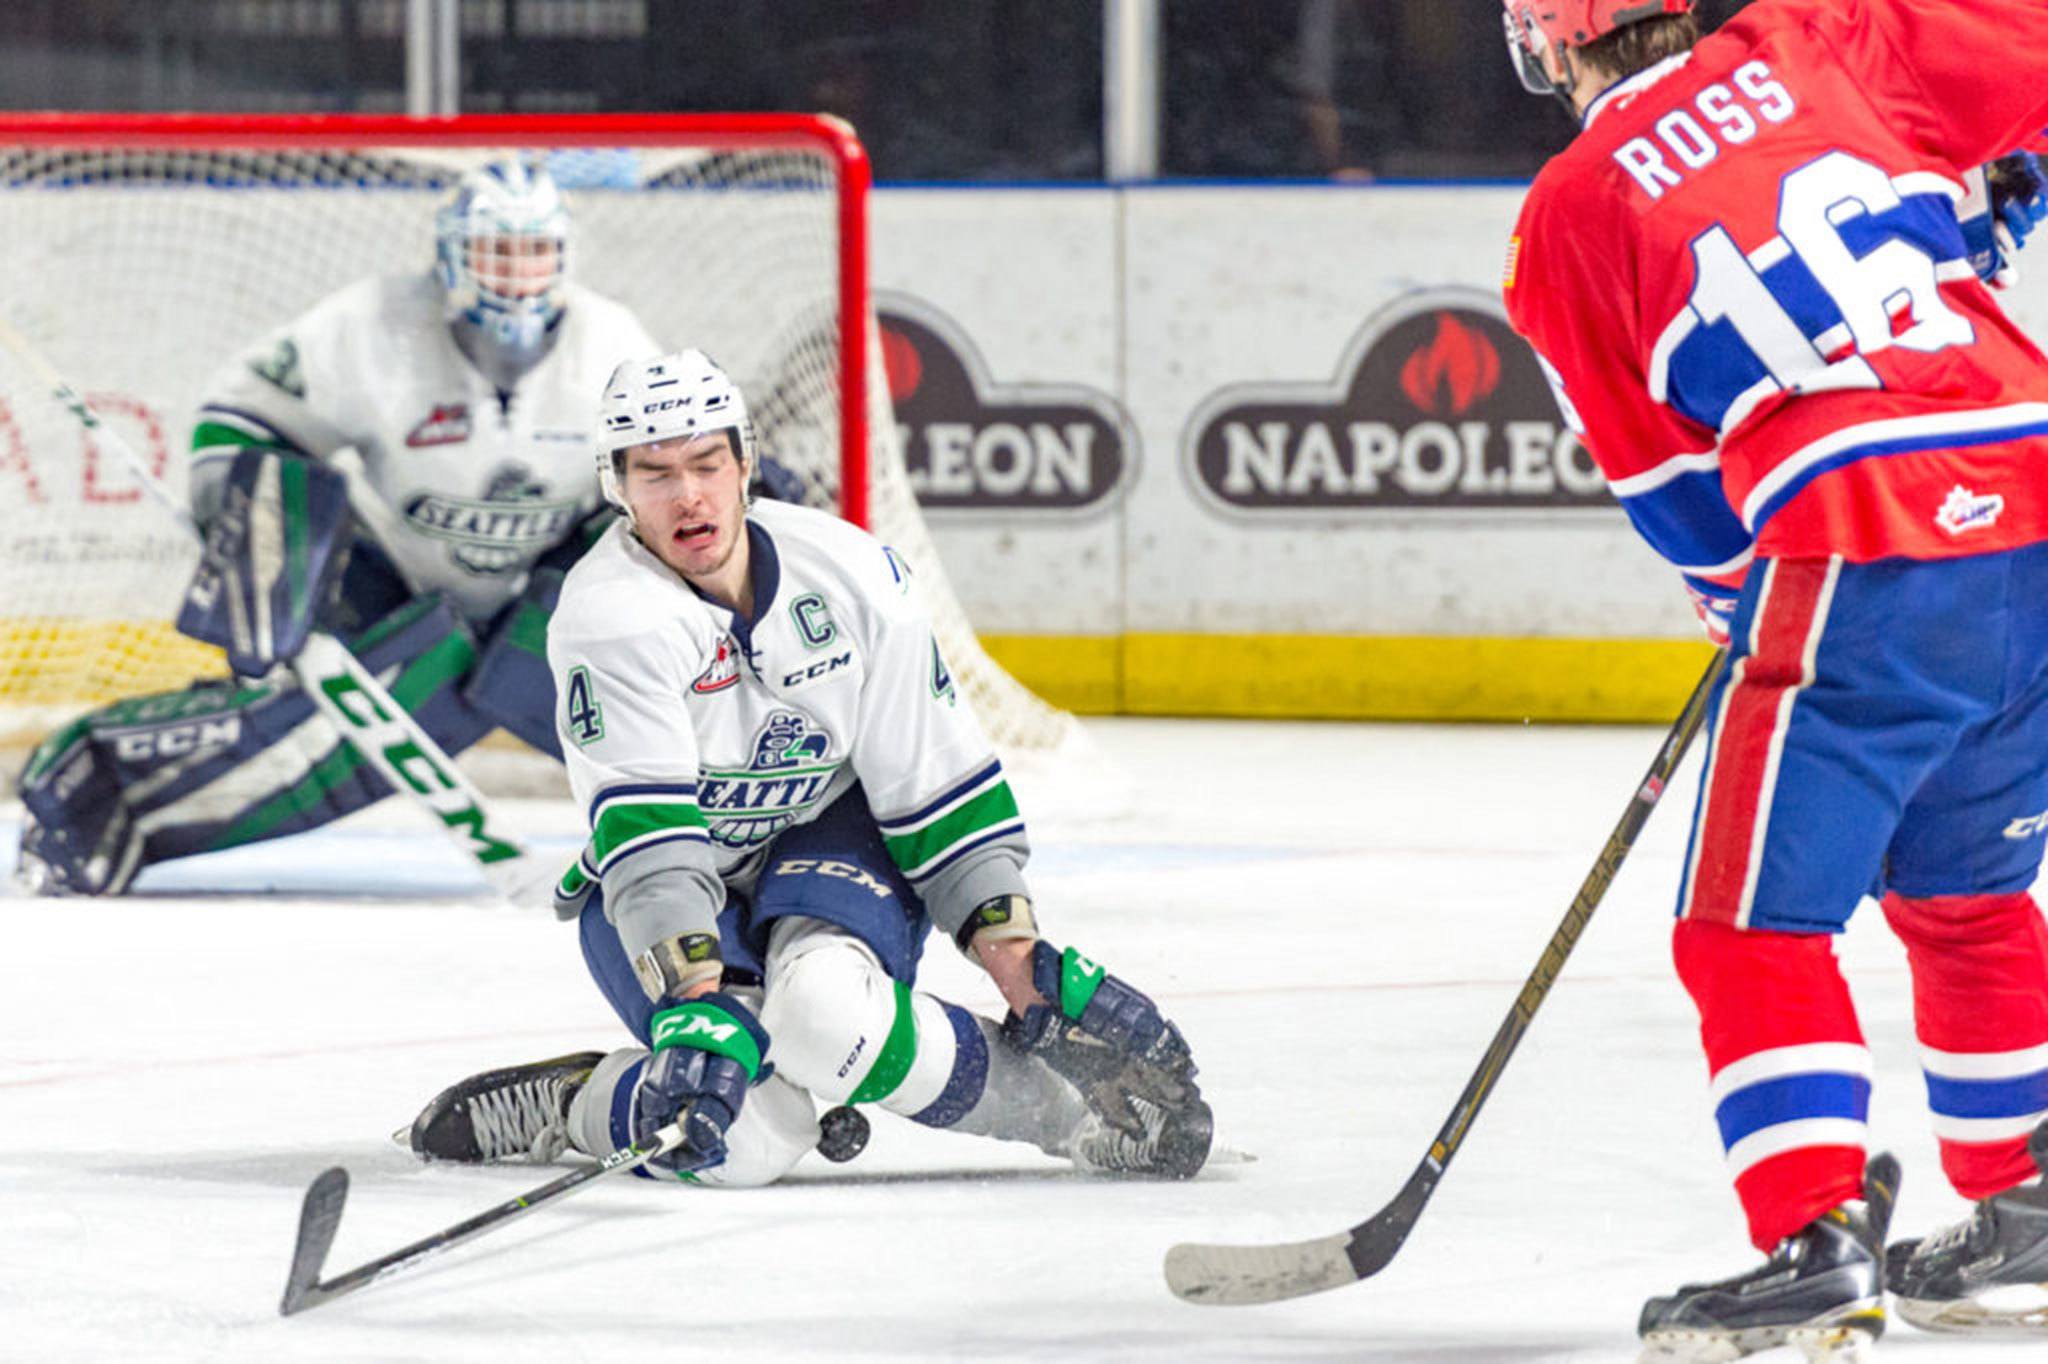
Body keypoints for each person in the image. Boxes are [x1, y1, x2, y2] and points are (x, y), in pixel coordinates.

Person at [1499, 0, 2048, 1355]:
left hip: (1858, 526)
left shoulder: (1565, 211)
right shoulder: (1820, 41)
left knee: (1745, 926)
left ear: (1554, 44)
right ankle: (2026, 1210)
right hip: (2030, 488)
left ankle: (1812, 1245)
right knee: (1966, 887)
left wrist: (1743, 592)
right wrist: (1995, 183)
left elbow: (1673, 486)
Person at [400, 349, 1213, 1187]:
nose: (688, 495)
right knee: (722, 1150)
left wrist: (1020, 966)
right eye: (656, 473)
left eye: (708, 463)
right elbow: (653, 840)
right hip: (675, 883)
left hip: (833, 836)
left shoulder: (856, 574)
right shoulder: (609, 615)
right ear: (616, 485)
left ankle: (1082, 1122)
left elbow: (932, 785)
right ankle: (581, 1101)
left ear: (746, 461)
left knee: (825, 1015)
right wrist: (696, 1007)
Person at [13, 155, 662, 896]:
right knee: (298, 731)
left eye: (536, 252)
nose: (517, 273)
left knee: (663, 672)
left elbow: (661, 476)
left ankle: (743, 827)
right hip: (398, 591)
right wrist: (257, 540)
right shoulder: (372, 326)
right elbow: (242, 419)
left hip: (554, 596)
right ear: (450, 256)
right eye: (495, 251)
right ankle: (91, 794)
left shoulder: (615, 344)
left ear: (566, 258)